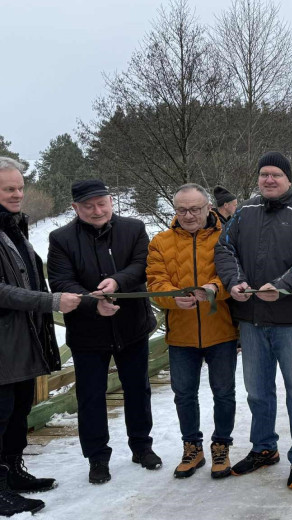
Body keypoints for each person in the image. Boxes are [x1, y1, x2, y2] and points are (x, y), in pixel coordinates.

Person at [214, 152, 292, 489]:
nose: (269, 180)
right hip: (251, 318)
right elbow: (224, 249)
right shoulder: (244, 212)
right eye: (264, 174)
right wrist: (234, 282)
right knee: (258, 391)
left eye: (276, 174)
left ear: (289, 179)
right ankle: (264, 448)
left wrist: (282, 285)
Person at [47, 179, 161, 484]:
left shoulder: (134, 228)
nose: (97, 211)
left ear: (111, 201)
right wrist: (90, 303)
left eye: (101, 203)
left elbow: (142, 265)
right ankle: (97, 457)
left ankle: (141, 446)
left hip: (131, 325)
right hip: (88, 331)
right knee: (91, 396)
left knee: (138, 388)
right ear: (75, 208)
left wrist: (118, 282)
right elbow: (60, 281)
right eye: (88, 206)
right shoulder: (61, 238)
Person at [0, 158, 78, 515]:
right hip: (3, 342)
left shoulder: (12, 227)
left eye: (20, 187)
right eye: (9, 189)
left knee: (18, 411)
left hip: (22, 340)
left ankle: (13, 473)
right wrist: (51, 301)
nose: (18, 194)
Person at [147, 184, 238, 480]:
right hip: (181, 334)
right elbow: (154, 283)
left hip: (220, 330)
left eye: (195, 209)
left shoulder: (227, 237)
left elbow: (234, 276)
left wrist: (215, 289)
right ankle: (192, 446)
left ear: (208, 208)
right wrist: (172, 298)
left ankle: (221, 445)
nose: (188, 215)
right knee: (184, 394)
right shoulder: (161, 242)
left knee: (223, 393)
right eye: (182, 209)